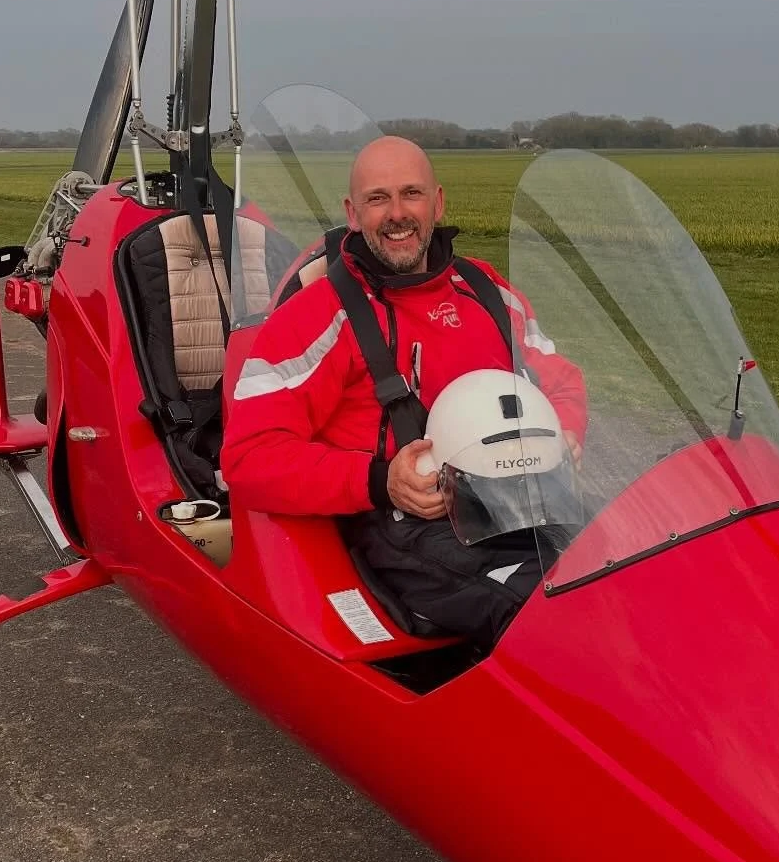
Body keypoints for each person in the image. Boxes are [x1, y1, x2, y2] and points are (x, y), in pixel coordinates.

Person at [220, 136, 586, 645]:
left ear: (437, 203)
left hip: (521, 496)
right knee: (552, 612)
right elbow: (248, 459)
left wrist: (564, 431)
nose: (397, 214)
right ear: (352, 213)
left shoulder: (486, 290)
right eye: (377, 199)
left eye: (411, 194)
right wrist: (378, 481)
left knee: (638, 562)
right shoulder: (314, 319)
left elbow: (560, 379)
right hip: (406, 523)